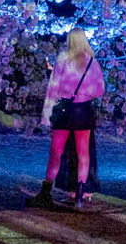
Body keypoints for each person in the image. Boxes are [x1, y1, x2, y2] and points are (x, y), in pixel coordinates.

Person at [29, 30, 105, 209]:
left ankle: (46, 191)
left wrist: (47, 115)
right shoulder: (92, 63)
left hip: (64, 110)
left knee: (55, 152)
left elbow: (53, 87)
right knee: (83, 154)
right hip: (83, 110)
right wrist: (85, 92)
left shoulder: (63, 59)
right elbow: (100, 90)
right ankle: (79, 195)